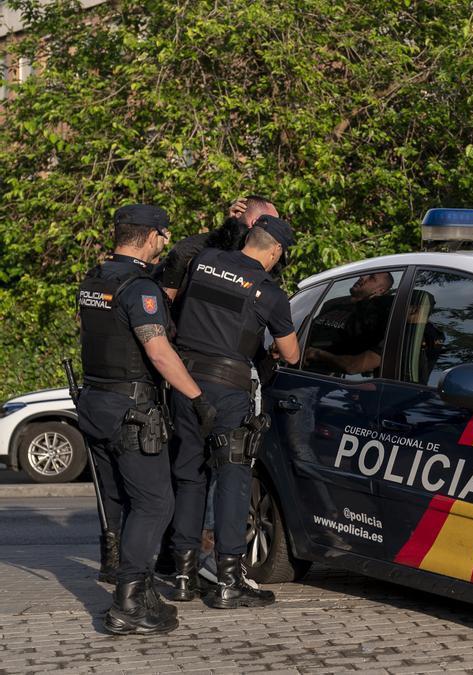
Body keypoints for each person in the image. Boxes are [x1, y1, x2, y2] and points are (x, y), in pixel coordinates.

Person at [75, 204, 216, 634]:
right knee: (155, 503)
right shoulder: (140, 290)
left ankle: (136, 588)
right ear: (152, 236)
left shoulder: (94, 280)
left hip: (95, 403)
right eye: (164, 236)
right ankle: (130, 603)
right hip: (131, 411)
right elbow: (157, 351)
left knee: (123, 502)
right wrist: (198, 398)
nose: (165, 243)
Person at [166, 215, 300, 609]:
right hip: (228, 390)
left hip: (184, 381)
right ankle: (228, 580)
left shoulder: (203, 261)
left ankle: (183, 577)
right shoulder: (269, 291)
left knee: (189, 477)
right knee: (233, 478)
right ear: (274, 251)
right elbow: (290, 353)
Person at [158, 196, 279, 304]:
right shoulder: (190, 250)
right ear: (255, 222)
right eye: (275, 223)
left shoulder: (264, 257)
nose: (278, 229)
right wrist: (232, 224)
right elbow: (165, 305)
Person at [303, 271, 395, 376]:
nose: (362, 277)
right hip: (299, 367)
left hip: (329, 379)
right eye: (365, 274)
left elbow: (354, 366)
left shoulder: (374, 317)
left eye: (372, 278)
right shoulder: (333, 303)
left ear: (380, 290)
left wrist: (316, 354)